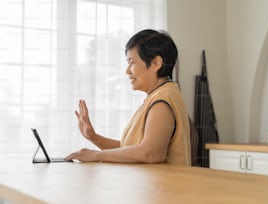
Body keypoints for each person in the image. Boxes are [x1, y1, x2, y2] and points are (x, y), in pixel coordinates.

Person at [65, 29, 191, 166]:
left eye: (132, 62)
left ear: (156, 63)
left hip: (163, 187)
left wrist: (95, 155)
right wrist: (94, 137)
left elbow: (150, 153)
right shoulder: (158, 96)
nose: (127, 71)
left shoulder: (162, 101)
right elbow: (131, 150)